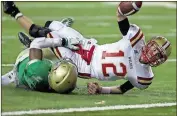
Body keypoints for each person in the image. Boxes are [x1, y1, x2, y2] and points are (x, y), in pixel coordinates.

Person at [3, 1, 172, 95]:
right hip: (87, 45)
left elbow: (122, 89)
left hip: (82, 65)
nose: (153, 53)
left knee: (41, 40)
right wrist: (129, 6)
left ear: (159, 61)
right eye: (154, 48)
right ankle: (16, 16)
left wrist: (101, 90)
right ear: (149, 43)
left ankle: (22, 25)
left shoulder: (144, 77)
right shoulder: (136, 39)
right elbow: (120, 15)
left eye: (158, 54)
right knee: (48, 27)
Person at [2, 2, 80, 93]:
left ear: (54, 72)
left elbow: (36, 43)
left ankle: (49, 36)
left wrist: (62, 41)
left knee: (43, 35)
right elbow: (65, 82)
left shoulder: (39, 69)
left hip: (24, 60)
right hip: (22, 79)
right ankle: (52, 37)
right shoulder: (61, 86)